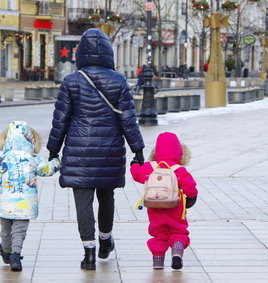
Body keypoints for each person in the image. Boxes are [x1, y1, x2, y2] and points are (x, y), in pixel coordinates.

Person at [46, 28, 145, 271]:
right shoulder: (119, 81)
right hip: (109, 150)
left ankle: (88, 252)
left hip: (78, 151)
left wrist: (52, 149)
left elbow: (61, 120)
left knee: (83, 201)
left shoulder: (71, 81)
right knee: (106, 197)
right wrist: (138, 149)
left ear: (81, 53)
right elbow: (128, 120)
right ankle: (104, 240)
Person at [0, 121, 61, 272]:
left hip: (5, 203)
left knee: (6, 231)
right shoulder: (33, 158)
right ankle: (15, 256)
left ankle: (6, 251)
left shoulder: (3, 159)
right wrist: (56, 162)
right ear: (30, 140)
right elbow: (47, 169)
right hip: (25, 203)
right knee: (19, 230)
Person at [130, 132, 198, 270]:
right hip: (175, 206)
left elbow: (137, 174)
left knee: (158, 233)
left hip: (154, 207)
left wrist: (134, 164)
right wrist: (191, 197)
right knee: (178, 230)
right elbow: (190, 186)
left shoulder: (151, 167)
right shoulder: (178, 169)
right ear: (180, 151)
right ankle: (177, 253)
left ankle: (158, 261)